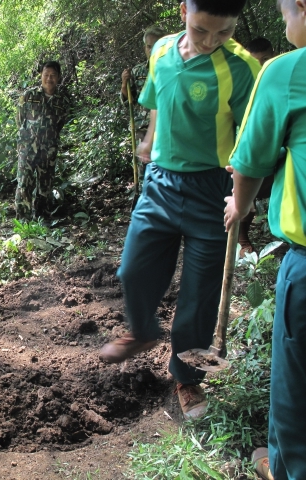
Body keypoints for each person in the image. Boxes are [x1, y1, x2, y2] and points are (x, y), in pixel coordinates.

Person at [98, 0, 261, 421]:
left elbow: (255, 139)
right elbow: (157, 100)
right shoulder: (162, 50)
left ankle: (186, 377)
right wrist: (150, 140)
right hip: (161, 183)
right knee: (133, 270)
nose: (210, 41)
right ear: (184, 10)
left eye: (224, 32)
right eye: (202, 29)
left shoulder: (242, 68)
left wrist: (242, 198)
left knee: (198, 296)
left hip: (213, 190)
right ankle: (143, 331)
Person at [224, 0, 306, 477]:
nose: (283, 20)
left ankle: (288, 467)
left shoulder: (286, 71)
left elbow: (250, 162)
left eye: (284, 11)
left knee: (296, 385)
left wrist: (240, 203)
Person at [15, 60, 71, 220]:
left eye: (53, 75)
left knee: (45, 185)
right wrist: (27, 138)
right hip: (27, 148)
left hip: (48, 149)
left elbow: (60, 124)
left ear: (58, 77)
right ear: (41, 75)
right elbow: (19, 119)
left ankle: (42, 218)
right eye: (46, 75)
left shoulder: (63, 101)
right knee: (24, 183)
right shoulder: (29, 95)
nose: (49, 79)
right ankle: (23, 220)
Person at [237, 37, 277, 256]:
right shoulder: (242, 83)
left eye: (265, 60)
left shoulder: (280, 78)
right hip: (247, 147)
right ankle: (241, 237)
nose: (261, 66)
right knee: (246, 186)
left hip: (276, 146)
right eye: (255, 62)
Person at [120, 25, 167, 143]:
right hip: (143, 128)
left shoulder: (172, 69)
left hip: (165, 127)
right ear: (145, 48)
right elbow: (129, 102)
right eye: (149, 47)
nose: (151, 50)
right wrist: (124, 84)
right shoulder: (137, 71)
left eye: (155, 46)